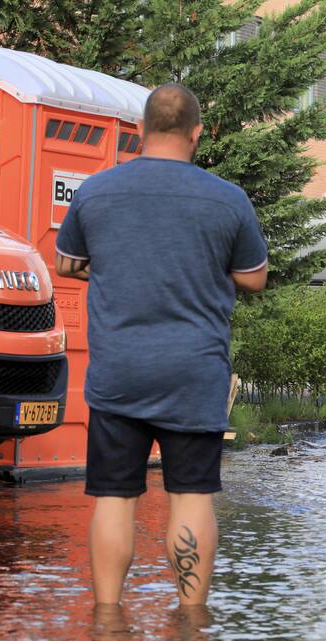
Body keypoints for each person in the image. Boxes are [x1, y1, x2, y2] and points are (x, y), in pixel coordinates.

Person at [55, 83, 268, 605]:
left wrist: (118, 268)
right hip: (194, 375)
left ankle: (107, 617)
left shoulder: (96, 192)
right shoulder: (227, 198)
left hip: (118, 373)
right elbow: (255, 278)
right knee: (192, 498)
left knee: (113, 498)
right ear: (197, 134)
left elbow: (66, 263)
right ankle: (192, 622)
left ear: (138, 130)